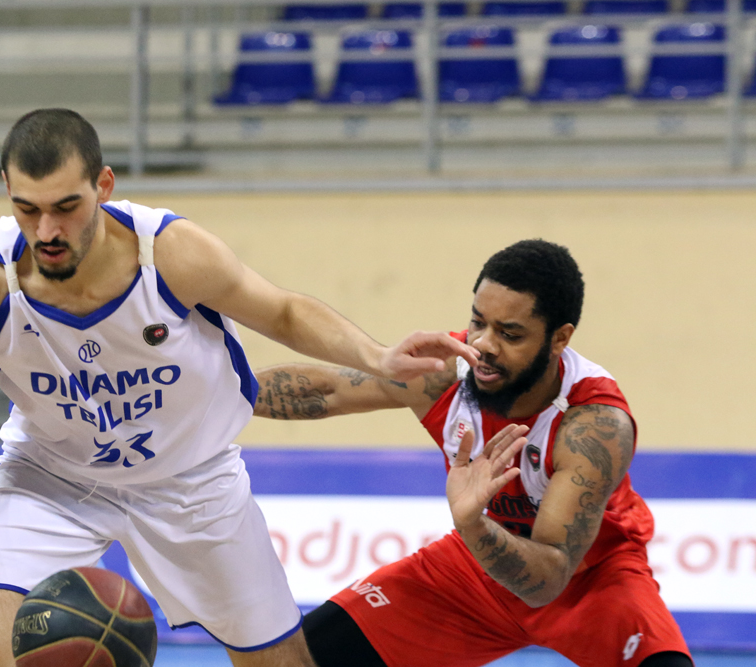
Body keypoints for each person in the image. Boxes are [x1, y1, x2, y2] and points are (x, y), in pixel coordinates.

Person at [0, 108, 478, 667]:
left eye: (66, 207)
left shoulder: (170, 253)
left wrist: (377, 356)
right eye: (28, 209)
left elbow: (284, 312)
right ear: (7, 188)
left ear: (104, 186)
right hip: (51, 479)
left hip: (192, 481)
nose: (47, 229)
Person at [254, 240, 693, 667]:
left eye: (510, 334)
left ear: (559, 338)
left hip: (590, 580)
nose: (484, 344)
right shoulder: (446, 371)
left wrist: (472, 524)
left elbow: (547, 582)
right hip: (474, 569)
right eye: (478, 322)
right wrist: (222, 390)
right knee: (297, 658)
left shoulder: (593, 426)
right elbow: (328, 391)